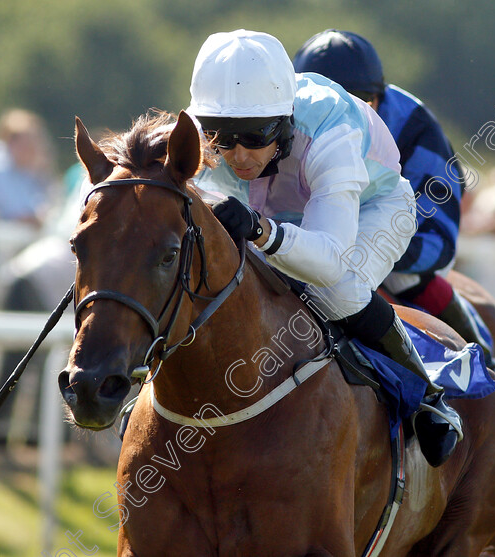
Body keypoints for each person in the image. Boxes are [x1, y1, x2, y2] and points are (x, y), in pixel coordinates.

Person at [188, 29, 461, 466]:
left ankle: (427, 397)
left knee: (332, 290)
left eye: (255, 135)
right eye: (222, 135)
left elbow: (330, 261)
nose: (238, 155)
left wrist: (261, 232)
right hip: (283, 209)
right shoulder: (200, 132)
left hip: (376, 206)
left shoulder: (331, 125)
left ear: (284, 122)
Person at [292, 30, 493, 363]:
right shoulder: (282, 120)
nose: (341, 117)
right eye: (326, 102)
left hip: (396, 244)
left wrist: (359, 247)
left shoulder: (416, 127)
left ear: (379, 99)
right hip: (312, 237)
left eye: (359, 102)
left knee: (403, 275)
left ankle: (483, 366)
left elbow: (437, 241)